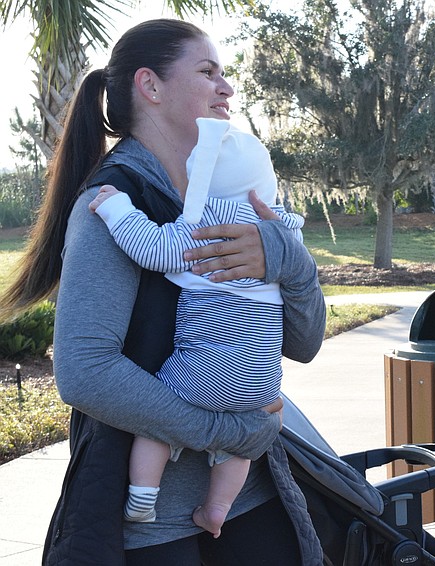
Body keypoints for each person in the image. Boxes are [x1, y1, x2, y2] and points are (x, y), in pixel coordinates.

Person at [0, 19, 326, 565]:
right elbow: (85, 371)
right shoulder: (111, 205)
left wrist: (286, 257)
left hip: (252, 497)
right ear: (150, 86)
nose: (227, 88)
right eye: (207, 72)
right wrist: (224, 431)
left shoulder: (233, 202)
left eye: (225, 74)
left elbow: (305, 341)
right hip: (155, 524)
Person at [88, 116, 306, 538]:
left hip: (203, 370)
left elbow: (151, 248)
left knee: (155, 422)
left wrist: (116, 207)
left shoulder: (206, 226)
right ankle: (217, 509)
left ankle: (144, 497)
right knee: (237, 445)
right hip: (262, 380)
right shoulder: (281, 234)